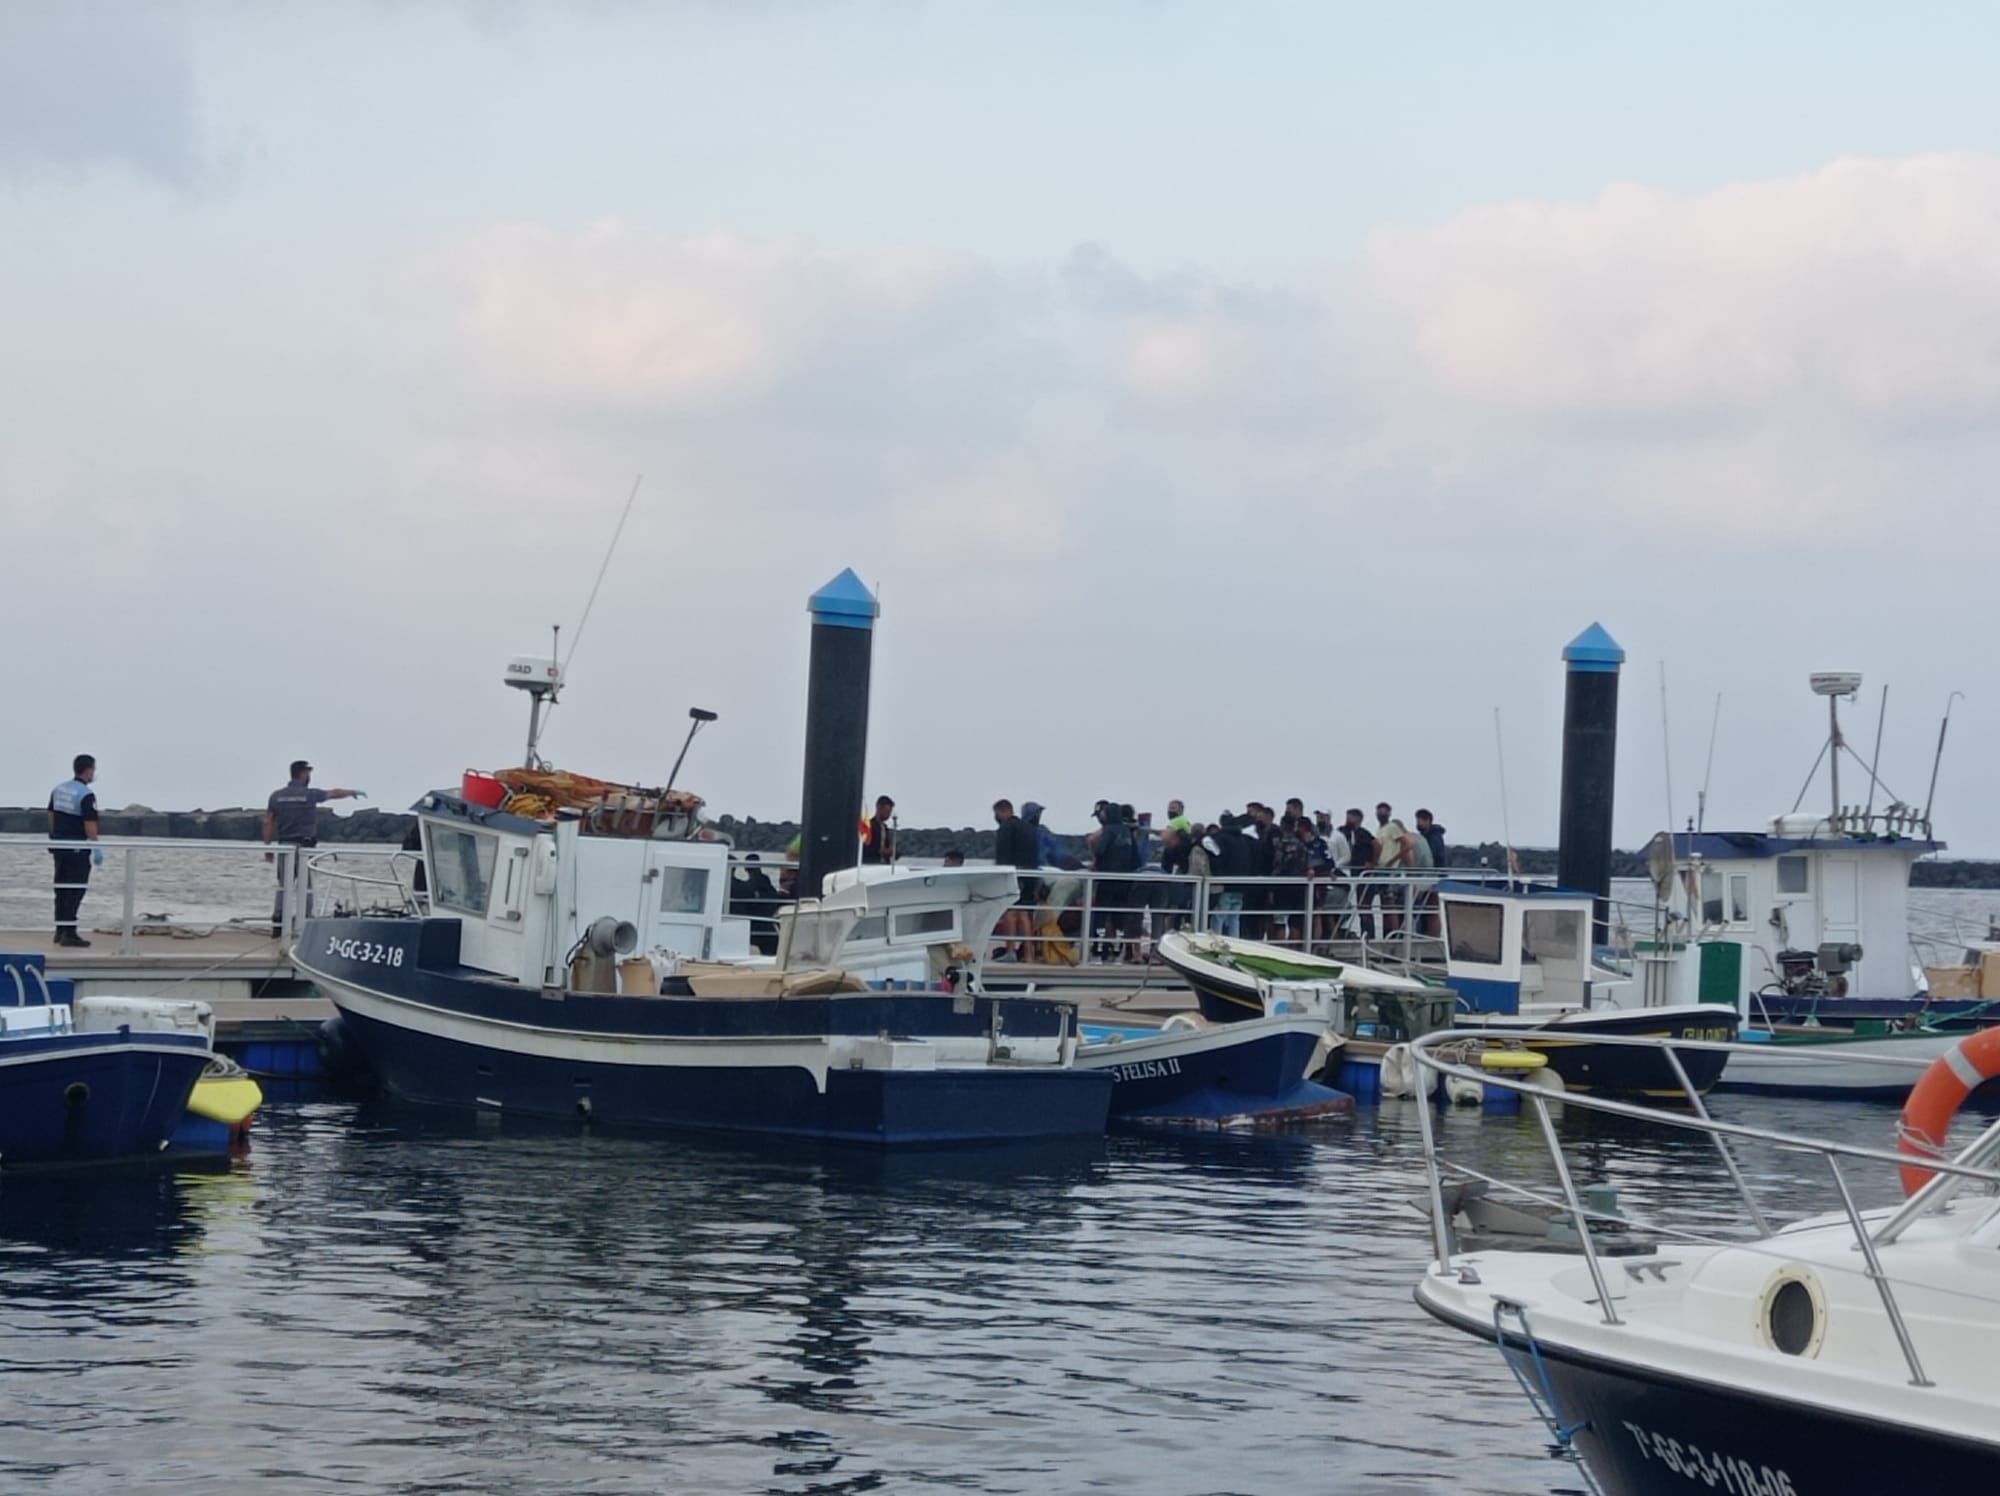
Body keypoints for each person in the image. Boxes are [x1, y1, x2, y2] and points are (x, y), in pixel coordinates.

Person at [265, 760, 362, 937]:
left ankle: (278, 923)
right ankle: (305, 921)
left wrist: (267, 846)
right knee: (307, 885)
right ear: (302, 773)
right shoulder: (310, 794)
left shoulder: (276, 796)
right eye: (308, 772)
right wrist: (351, 792)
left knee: (283, 885)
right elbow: (333, 793)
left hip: (285, 846)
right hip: (305, 847)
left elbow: (269, 821)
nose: (310, 776)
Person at [48, 754, 102, 947]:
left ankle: (60, 930)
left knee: (61, 888)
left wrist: (54, 837)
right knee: (76, 888)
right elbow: (89, 823)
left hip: (60, 846)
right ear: (88, 771)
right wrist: (96, 847)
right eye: (94, 770)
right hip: (77, 847)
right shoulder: (86, 794)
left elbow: (51, 814)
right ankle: (69, 933)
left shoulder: (59, 789)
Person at [991, 799, 1039, 961]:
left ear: (1001, 812)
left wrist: (998, 875)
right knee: (1025, 913)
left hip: (1013, 874)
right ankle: (1028, 954)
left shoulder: (1006, 828)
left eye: (996, 814)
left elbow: (1002, 856)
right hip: (1030, 874)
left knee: (1010, 913)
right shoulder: (1029, 828)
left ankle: (1010, 951)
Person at [730, 853, 783, 956]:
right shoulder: (764, 885)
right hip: (767, 927)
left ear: (745, 868)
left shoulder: (745, 887)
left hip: (753, 928)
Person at [862, 796, 897, 864]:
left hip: (884, 866)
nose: (889, 815)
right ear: (879, 807)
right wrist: (880, 851)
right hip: (870, 865)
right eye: (887, 812)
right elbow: (863, 849)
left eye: (890, 812)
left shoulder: (885, 827)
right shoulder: (868, 826)